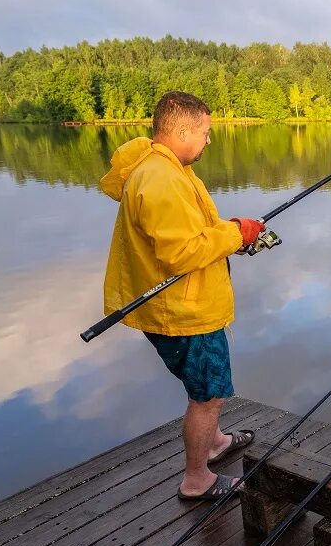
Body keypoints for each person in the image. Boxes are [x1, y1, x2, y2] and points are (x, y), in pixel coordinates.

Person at [99, 91, 265, 500]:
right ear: (185, 129)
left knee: (206, 387)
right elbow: (181, 253)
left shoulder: (168, 169)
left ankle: (214, 443)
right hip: (184, 312)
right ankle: (197, 479)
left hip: (184, 305)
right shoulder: (161, 179)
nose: (209, 140)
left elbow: (189, 231)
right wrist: (234, 233)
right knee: (207, 395)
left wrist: (230, 233)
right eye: (206, 132)